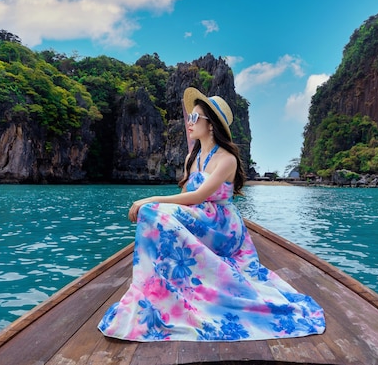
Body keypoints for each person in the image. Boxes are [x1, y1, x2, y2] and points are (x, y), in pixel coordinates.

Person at [98, 87, 325, 341]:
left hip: (221, 226)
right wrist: (157, 208)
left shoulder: (227, 160)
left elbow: (197, 197)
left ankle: (162, 288)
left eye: (195, 118)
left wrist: (151, 199)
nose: (189, 122)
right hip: (198, 217)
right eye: (190, 117)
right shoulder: (191, 158)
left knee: (151, 211)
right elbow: (184, 200)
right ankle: (156, 292)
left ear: (211, 125)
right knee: (154, 216)